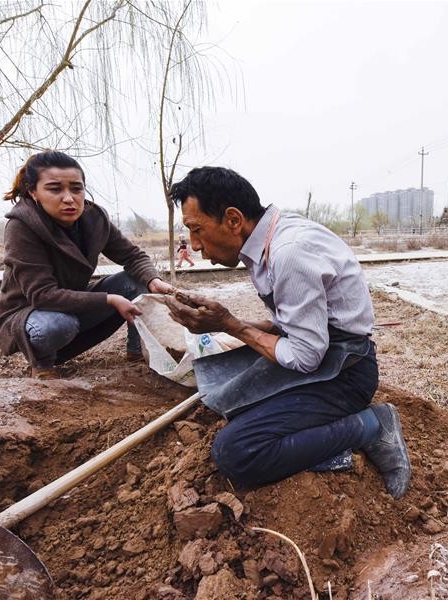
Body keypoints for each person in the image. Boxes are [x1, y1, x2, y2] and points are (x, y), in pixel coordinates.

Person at [165, 167, 411, 499]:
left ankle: (371, 426)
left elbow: (306, 357)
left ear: (234, 220)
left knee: (236, 452)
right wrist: (221, 322)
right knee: (227, 389)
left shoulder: (289, 252)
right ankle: (319, 442)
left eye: (197, 230)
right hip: (326, 354)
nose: (194, 245)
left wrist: (230, 325)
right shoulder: (269, 240)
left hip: (345, 372)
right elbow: (291, 324)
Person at [0, 151, 176, 379]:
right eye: (55, 189)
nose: (69, 198)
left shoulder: (94, 218)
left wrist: (153, 280)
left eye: (76, 189)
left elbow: (133, 256)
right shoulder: (22, 226)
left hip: (71, 304)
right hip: (30, 313)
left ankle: (137, 351)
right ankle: (42, 364)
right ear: (33, 191)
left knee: (136, 281)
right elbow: (42, 295)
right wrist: (109, 299)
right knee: (58, 325)